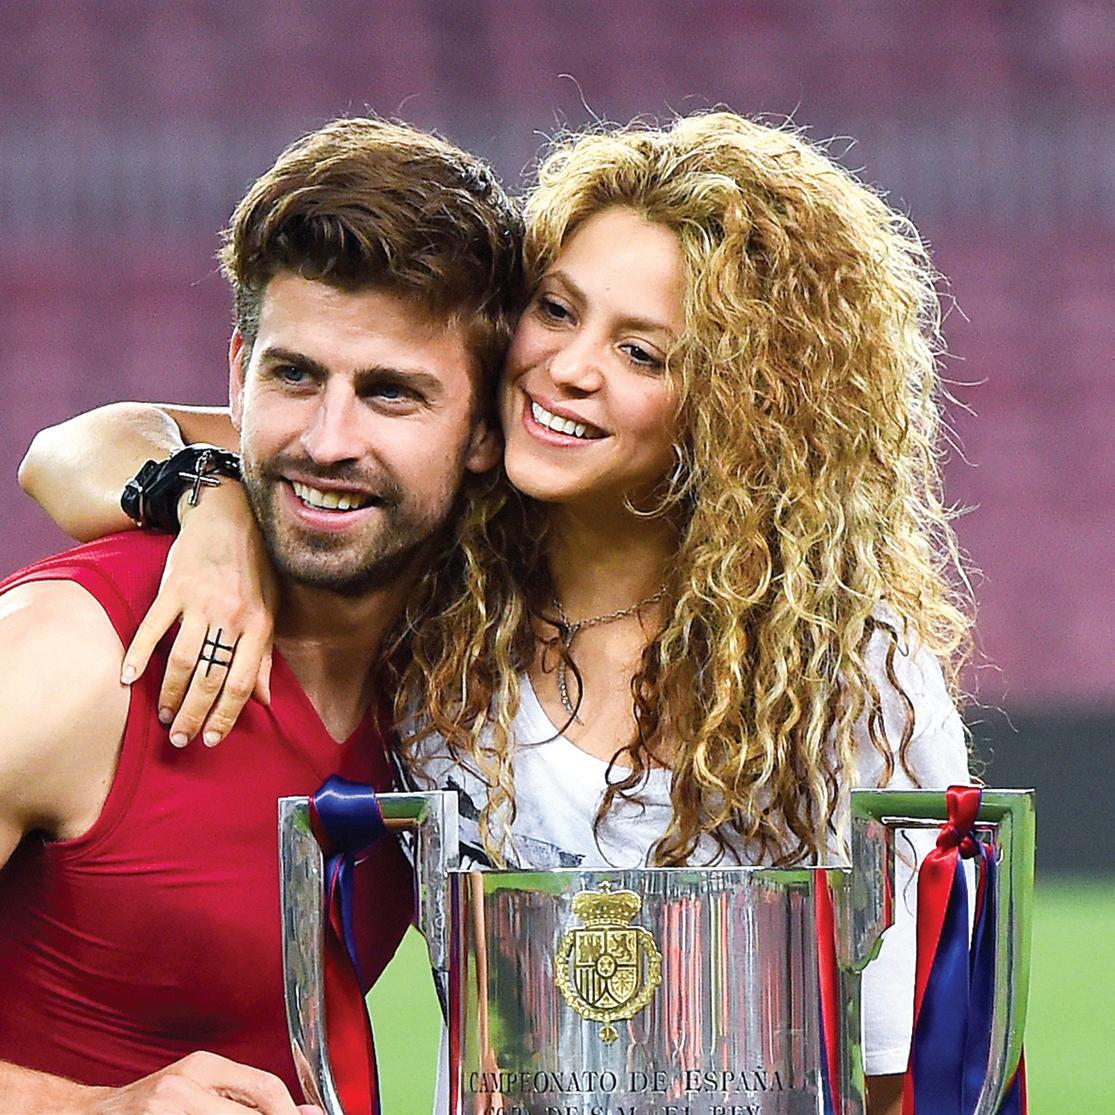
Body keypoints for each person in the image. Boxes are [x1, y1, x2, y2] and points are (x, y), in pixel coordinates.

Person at [22, 111, 971, 1115]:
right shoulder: (442, 580)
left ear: (739, 404)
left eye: (641, 352)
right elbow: (77, 448)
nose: (569, 366)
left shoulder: (841, 674)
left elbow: (899, 1068)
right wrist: (207, 504)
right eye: (556, 310)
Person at [0, 115, 522, 1112]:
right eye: (294, 374)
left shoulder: (464, 669)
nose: (327, 439)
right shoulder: (69, 657)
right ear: (237, 372)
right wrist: (96, 1107)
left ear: (483, 432)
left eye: (391, 394)